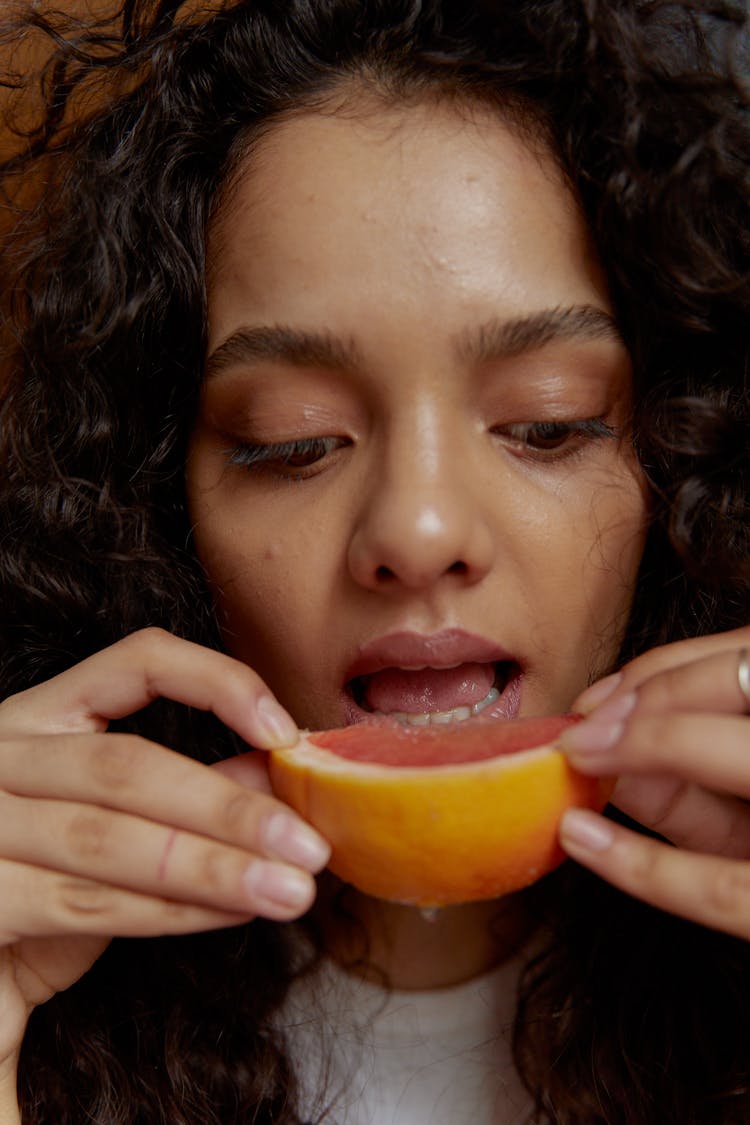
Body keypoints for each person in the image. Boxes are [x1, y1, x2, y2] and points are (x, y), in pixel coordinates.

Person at [0, 0, 748, 1121]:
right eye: (291, 440)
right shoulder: (47, 985)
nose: (417, 533)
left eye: (549, 421)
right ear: (159, 505)